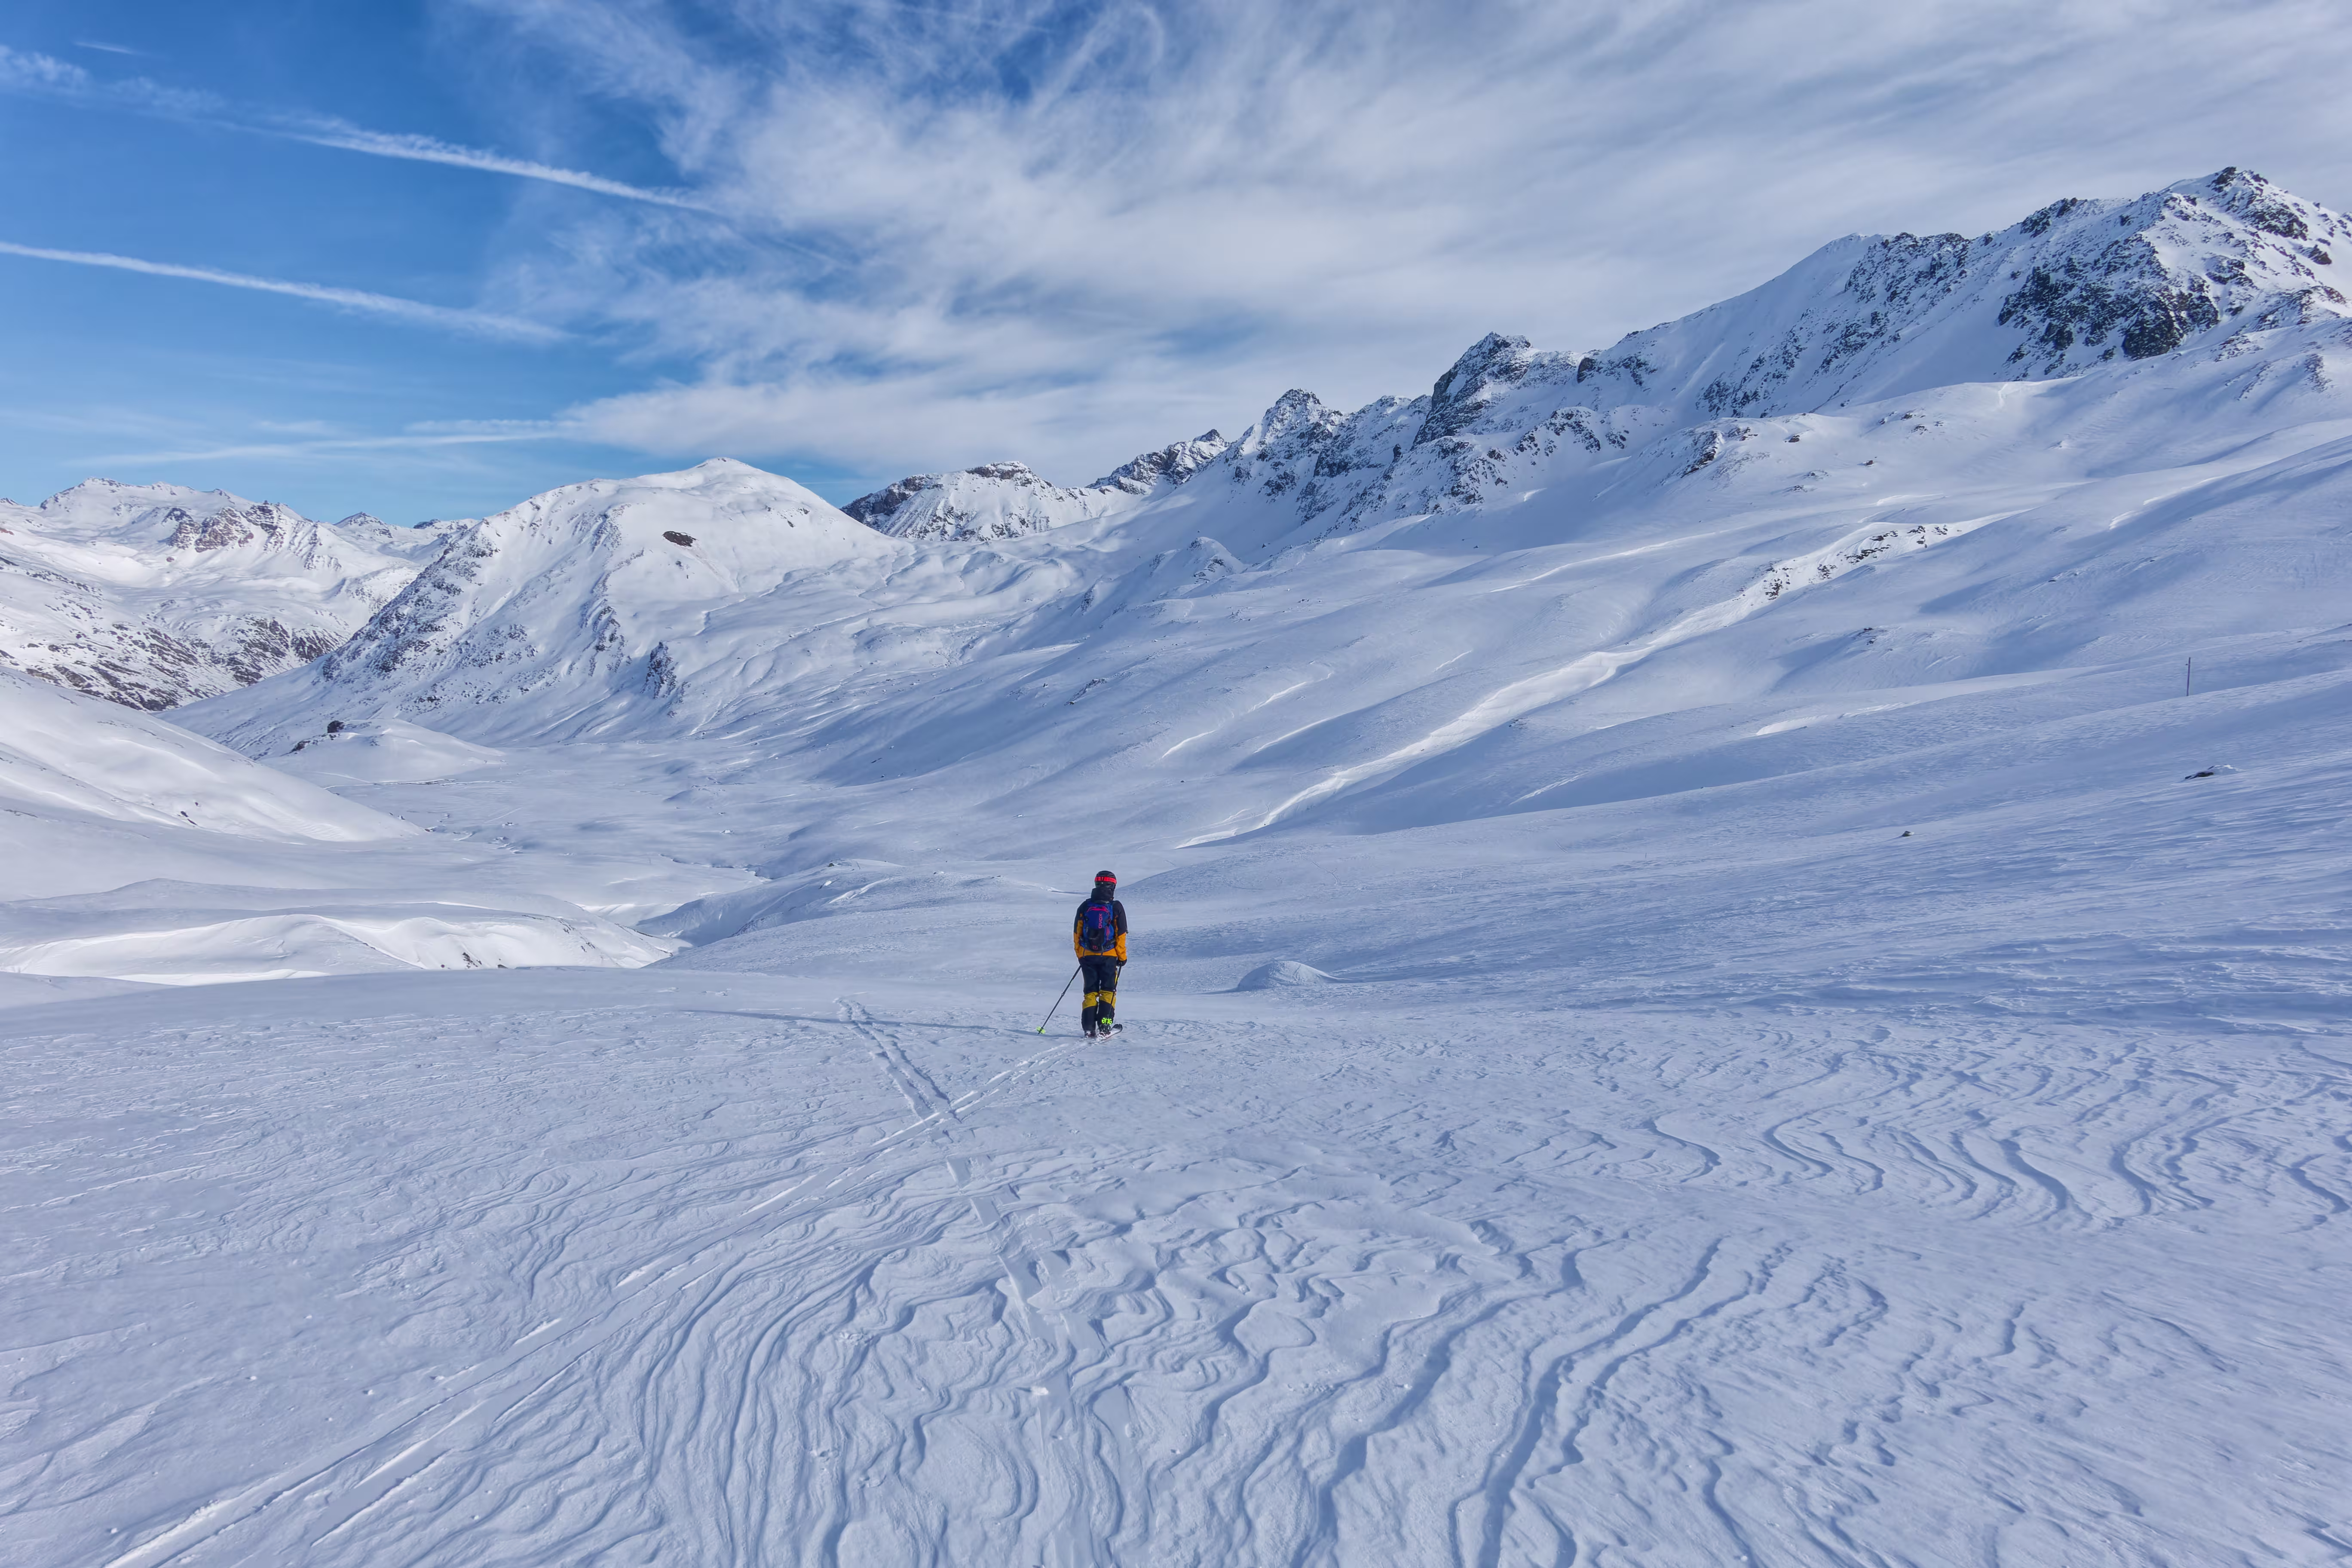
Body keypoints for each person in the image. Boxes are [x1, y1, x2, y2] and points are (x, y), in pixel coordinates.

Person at [1072, 870, 1128, 1037]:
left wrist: (1081, 955)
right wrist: (1122, 957)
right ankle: (1105, 1027)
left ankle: (1089, 1029)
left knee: (1090, 992)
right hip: (1110, 956)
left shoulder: (1085, 906)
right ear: (1113, 886)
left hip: (1087, 956)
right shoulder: (1116, 906)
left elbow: (1077, 933)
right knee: (1109, 992)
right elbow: (1121, 935)